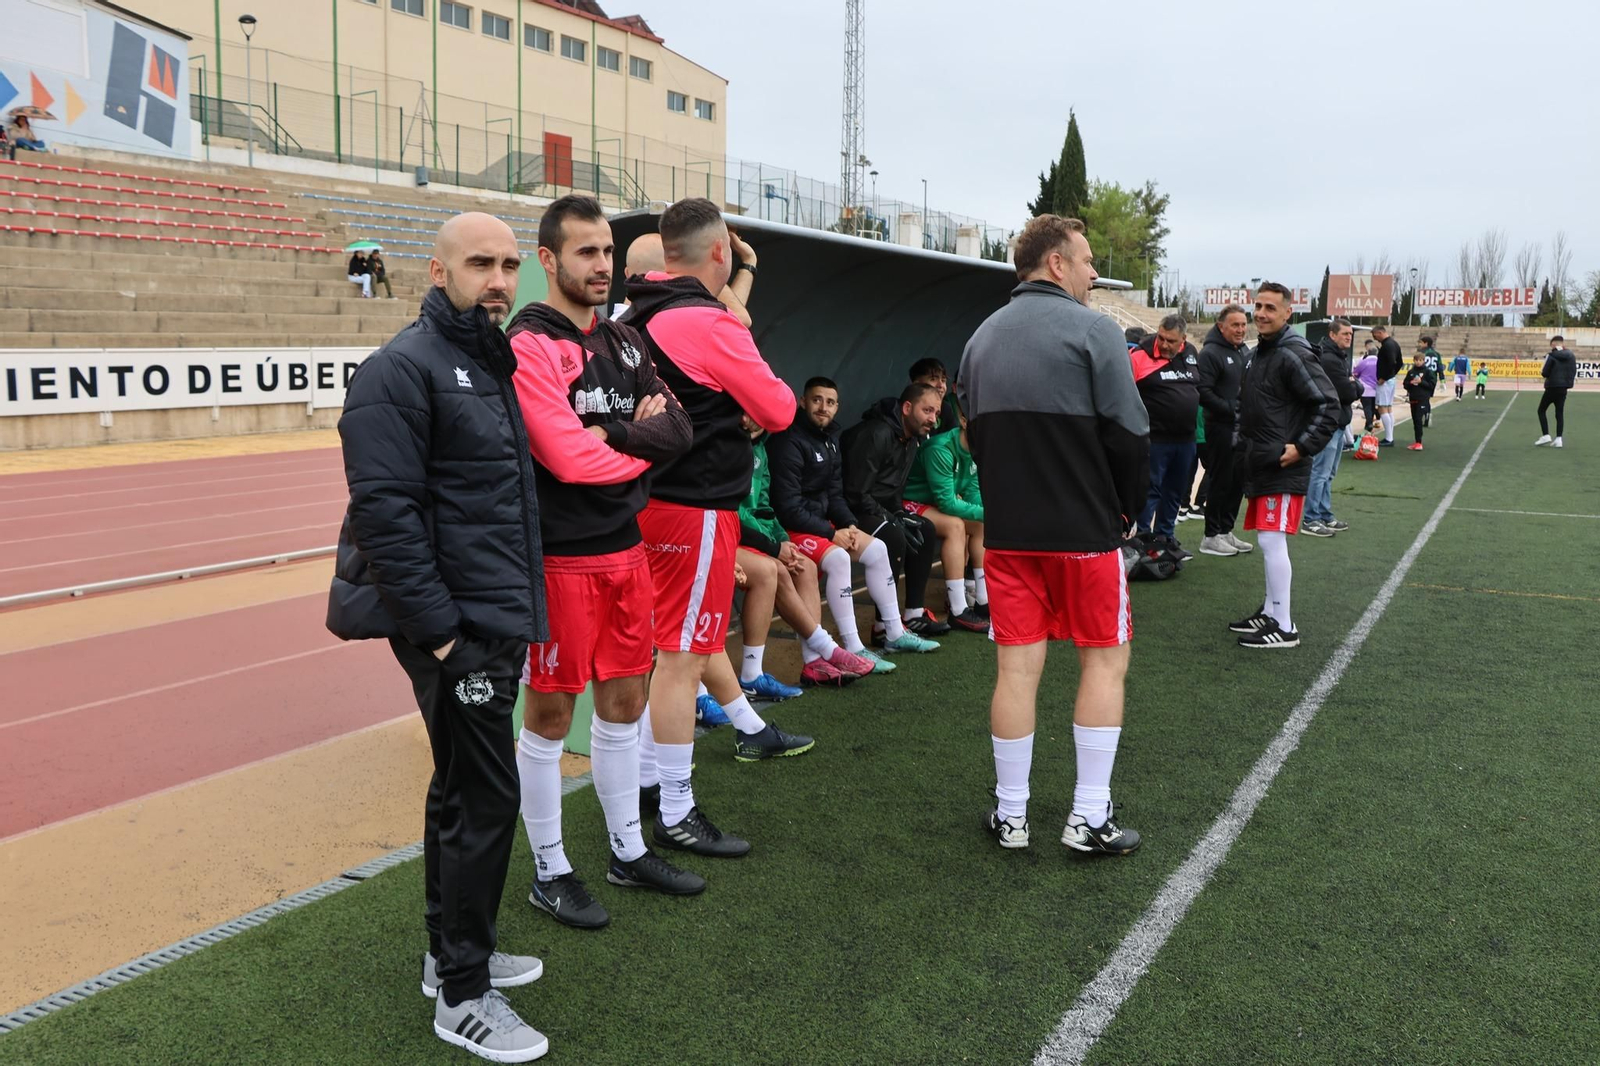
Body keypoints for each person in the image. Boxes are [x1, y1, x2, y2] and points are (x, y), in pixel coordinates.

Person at [326, 213, 548, 1062]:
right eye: (481, 264)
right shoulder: (400, 369)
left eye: (509, 266)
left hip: (488, 615)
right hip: (459, 628)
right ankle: (463, 996)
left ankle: (450, 955)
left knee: (461, 787)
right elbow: (386, 515)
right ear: (437, 269)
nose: (499, 280)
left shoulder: (487, 363)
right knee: (486, 801)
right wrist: (446, 640)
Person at [505, 195, 704, 932]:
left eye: (607, 252)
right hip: (560, 561)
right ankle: (551, 868)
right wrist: (632, 452)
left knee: (625, 702)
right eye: (584, 252)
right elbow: (560, 455)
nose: (600, 265)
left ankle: (627, 848)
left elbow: (679, 428)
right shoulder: (530, 343)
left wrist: (608, 436)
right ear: (548, 261)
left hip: (626, 553)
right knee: (552, 714)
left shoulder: (624, 340)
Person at [623, 197, 810, 861]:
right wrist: (740, 407)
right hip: (694, 506)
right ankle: (675, 808)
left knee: (659, 652)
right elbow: (780, 408)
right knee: (681, 657)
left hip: (638, 503)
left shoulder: (630, 314)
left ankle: (648, 783)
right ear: (719, 254)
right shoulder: (707, 321)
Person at [957, 214, 1149, 855]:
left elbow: (974, 436)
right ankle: (1088, 817)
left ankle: (1011, 817)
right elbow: (1131, 435)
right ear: (1057, 263)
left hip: (1010, 535)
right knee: (1104, 661)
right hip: (1083, 532)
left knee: (1016, 670)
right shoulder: (1095, 329)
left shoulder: (980, 337)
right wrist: (1124, 513)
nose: (1095, 273)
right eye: (1088, 260)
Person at [767, 377, 940, 667]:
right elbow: (787, 507)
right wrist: (829, 532)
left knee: (877, 549)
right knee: (839, 560)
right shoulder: (788, 441)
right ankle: (854, 646)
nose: (824, 408)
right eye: (817, 400)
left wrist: (848, 524)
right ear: (803, 402)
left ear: (837, 407)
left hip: (821, 522)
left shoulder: (829, 439)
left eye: (831, 402)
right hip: (792, 527)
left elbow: (835, 493)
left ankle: (895, 631)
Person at [1228, 282, 1339, 650]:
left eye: (1270, 308)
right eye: (1257, 306)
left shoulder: (1293, 353)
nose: (1260, 313)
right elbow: (1248, 406)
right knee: (1266, 539)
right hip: (1261, 461)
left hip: (1282, 464)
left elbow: (1327, 405)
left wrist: (1301, 448)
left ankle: (1285, 625)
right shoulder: (1259, 353)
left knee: (1272, 540)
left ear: (1288, 313)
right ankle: (1272, 610)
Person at [738, 411, 877, 688]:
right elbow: (735, 515)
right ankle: (822, 648)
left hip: (761, 537)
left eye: (758, 413)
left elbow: (764, 506)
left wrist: (781, 540)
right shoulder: (727, 449)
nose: (752, 420)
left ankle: (814, 661)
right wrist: (775, 546)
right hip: (731, 538)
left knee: (805, 566)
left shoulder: (761, 450)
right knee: (774, 570)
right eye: (746, 412)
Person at [841, 383, 952, 642]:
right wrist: (890, 518)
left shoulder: (911, 438)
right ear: (906, 408)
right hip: (850, 510)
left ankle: (913, 613)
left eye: (935, 413)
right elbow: (856, 493)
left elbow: (892, 492)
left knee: (923, 527)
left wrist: (898, 513)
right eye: (927, 411)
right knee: (893, 535)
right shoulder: (876, 433)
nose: (933, 420)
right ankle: (882, 626)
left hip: (875, 508)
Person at [902, 400, 988, 631]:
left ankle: (983, 601)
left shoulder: (975, 448)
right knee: (955, 526)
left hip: (934, 503)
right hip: (911, 502)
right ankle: (958, 610)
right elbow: (947, 503)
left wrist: (988, 513)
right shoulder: (941, 448)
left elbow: (972, 491)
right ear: (963, 420)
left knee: (980, 525)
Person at [1129, 314, 1200, 550]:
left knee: (1175, 491)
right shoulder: (1139, 356)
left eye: (1171, 340)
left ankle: (1165, 538)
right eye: (1162, 338)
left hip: (1185, 439)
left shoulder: (1190, 353)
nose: (1165, 344)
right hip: (1155, 439)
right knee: (1150, 490)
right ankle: (1143, 539)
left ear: (1183, 340)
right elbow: (1125, 395)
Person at [1197, 305, 1254, 558]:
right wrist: (1232, 409)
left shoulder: (1243, 350)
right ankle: (1210, 536)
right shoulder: (1210, 353)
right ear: (1221, 326)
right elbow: (1203, 391)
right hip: (1220, 428)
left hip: (1243, 429)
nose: (1240, 330)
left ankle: (1226, 530)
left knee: (1237, 481)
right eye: (1235, 325)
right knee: (1220, 480)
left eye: (1243, 324)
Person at [1303, 317, 1360, 536]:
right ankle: (1311, 518)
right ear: (1332, 334)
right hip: (1327, 422)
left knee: (1328, 473)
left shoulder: (1338, 357)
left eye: (1350, 334)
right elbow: (1346, 391)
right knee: (1320, 472)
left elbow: (1351, 386)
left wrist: (1354, 385)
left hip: (1338, 421)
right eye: (1345, 333)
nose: (1349, 337)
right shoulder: (1329, 359)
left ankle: (1324, 514)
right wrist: (1355, 385)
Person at [1535, 336, 1576, 447]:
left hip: (1552, 387)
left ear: (1553, 344)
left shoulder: (1551, 356)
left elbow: (1545, 373)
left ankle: (1546, 435)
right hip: (1563, 388)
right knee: (1559, 413)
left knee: (1541, 410)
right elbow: (1573, 371)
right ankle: (1559, 439)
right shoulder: (1571, 355)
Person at [1372, 322, 1405, 447]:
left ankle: (1389, 438)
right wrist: (1392, 375)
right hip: (1390, 379)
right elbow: (1399, 362)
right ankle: (1389, 436)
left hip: (1385, 381)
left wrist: (1384, 377)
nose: (1375, 338)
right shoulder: (1393, 343)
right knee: (1388, 407)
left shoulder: (1387, 345)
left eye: (1375, 336)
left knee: (1382, 408)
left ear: (1380, 332)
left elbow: (1392, 362)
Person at [909, 357, 961, 433]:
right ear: (917, 384)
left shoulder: (946, 409)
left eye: (943, 380)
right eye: (933, 379)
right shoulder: (909, 409)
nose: (940, 385)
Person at [1402, 348, 1436, 450]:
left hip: (1423, 399)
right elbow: (1405, 384)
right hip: (1413, 398)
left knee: (1418, 419)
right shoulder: (1411, 372)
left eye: (1420, 360)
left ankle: (1419, 442)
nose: (1418, 362)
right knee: (1415, 420)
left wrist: (1422, 382)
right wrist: (1410, 384)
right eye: (1416, 360)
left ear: (1423, 361)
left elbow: (1432, 385)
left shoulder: (1428, 372)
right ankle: (1417, 441)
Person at [1417, 334, 1443, 426]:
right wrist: (1442, 380)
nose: (1420, 344)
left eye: (1421, 342)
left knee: (1421, 398)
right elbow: (1440, 368)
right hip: (1433, 379)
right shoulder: (1437, 354)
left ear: (1426, 343)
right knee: (1426, 398)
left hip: (1423, 377)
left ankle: (1424, 414)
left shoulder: (1422, 353)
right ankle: (1427, 414)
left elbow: (1418, 365)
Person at [1355, 341, 1380, 430]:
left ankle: (1369, 423)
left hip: (1365, 389)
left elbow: (1356, 373)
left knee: (1367, 407)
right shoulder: (1380, 362)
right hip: (1376, 388)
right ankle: (1369, 423)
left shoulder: (1364, 361)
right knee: (1373, 407)